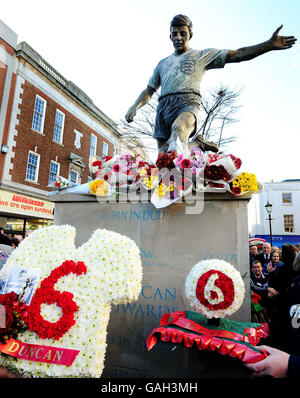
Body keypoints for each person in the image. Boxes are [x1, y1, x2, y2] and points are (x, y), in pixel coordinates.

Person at [125, 15, 296, 155]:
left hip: (187, 103)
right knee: (165, 157)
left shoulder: (201, 56)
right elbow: (149, 90)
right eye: (175, 34)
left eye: (182, 33)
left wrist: (268, 45)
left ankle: (185, 183)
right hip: (163, 108)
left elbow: (237, 54)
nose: (178, 37)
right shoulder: (162, 64)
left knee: (178, 131)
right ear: (170, 36)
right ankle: (197, 145)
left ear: (189, 35)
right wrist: (134, 106)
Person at [245, 251, 300, 378]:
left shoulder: (293, 289)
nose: (257, 269)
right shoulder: (294, 289)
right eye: (255, 267)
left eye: (258, 267)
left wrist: (291, 364)